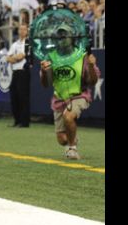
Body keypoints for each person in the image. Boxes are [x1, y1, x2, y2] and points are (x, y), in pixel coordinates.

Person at [39, 26, 100, 160]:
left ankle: (73, 149)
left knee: (68, 116)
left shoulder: (82, 55)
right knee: (62, 139)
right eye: (59, 36)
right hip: (59, 98)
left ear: (72, 38)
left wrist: (90, 66)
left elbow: (92, 81)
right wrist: (44, 72)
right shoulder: (51, 56)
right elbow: (46, 84)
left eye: (64, 35)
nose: (61, 39)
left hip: (79, 95)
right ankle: (72, 139)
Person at [6, 24, 31, 127]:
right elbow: (8, 58)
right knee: (14, 96)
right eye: (20, 29)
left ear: (27, 31)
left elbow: (22, 56)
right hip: (15, 71)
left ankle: (24, 122)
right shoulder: (15, 44)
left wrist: (14, 58)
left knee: (23, 97)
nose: (21, 31)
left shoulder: (28, 43)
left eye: (24, 29)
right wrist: (15, 58)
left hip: (23, 71)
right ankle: (17, 120)